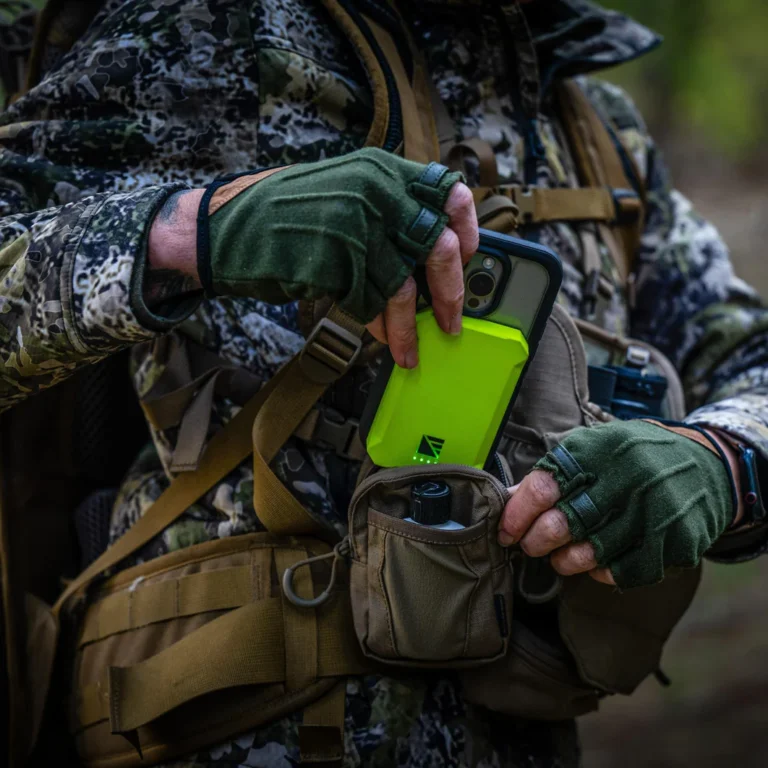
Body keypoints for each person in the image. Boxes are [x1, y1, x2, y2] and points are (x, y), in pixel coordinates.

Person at [1, 0, 767, 766]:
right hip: (223, 726)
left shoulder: (591, 120)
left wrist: (720, 460)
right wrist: (199, 232)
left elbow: (745, 350)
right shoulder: (211, 29)